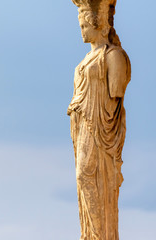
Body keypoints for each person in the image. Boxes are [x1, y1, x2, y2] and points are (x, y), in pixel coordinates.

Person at [67, 0, 131, 239]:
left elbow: (115, 94)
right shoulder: (84, 61)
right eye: (81, 25)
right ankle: (90, 234)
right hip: (82, 128)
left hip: (100, 131)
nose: (82, 30)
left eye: (85, 25)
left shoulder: (113, 56)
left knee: (89, 176)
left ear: (98, 23)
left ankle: (100, 234)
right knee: (82, 179)